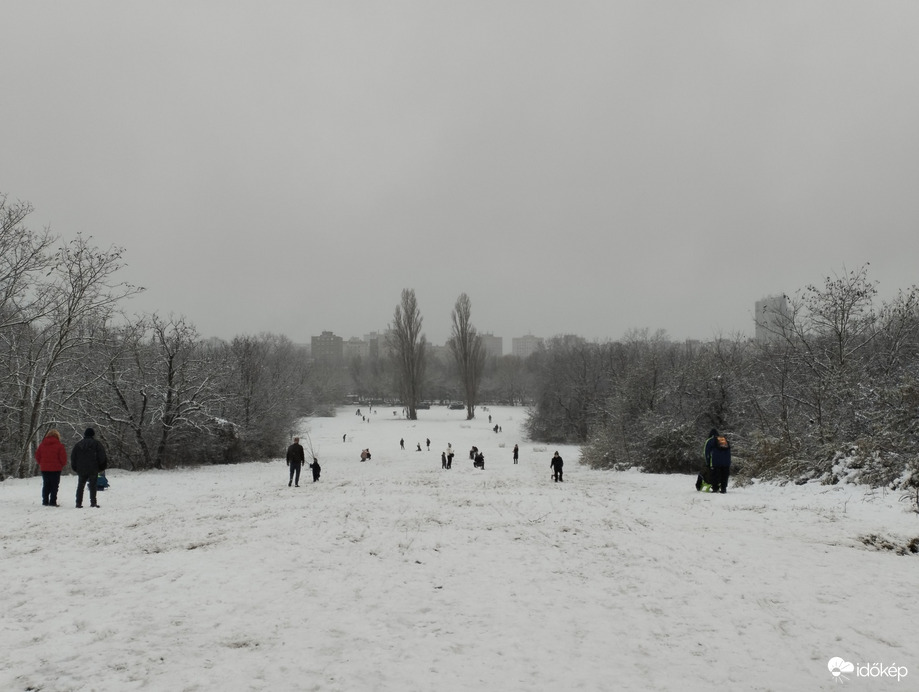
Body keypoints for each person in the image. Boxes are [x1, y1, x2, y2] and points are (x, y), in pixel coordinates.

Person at [71, 428, 107, 508]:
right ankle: (93, 502)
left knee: (80, 485)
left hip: (81, 468)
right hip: (93, 468)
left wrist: (75, 467)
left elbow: (73, 457)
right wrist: (101, 467)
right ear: (93, 434)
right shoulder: (97, 444)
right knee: (93, 485)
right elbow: (102, 456)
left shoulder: (78, 445)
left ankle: (78, 502)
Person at [35, 428, 67, 506]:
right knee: (54, 485)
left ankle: (45, 501)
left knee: (46, 485)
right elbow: (63, 457)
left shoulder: (42, 445)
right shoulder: (59, 446)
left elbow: (37, 456)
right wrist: (61, 464)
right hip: (56, 469)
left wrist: (41, 463)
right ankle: (53, 501)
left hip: (44, 468)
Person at [704, 429, 732, 493]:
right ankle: (723, 488)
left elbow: (706, 452)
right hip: (726, 462)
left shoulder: (710, 440)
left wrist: (707, 463)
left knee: (715, 474)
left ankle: (715, 488)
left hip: (715, 461)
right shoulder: (724, 440)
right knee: (724, 475)